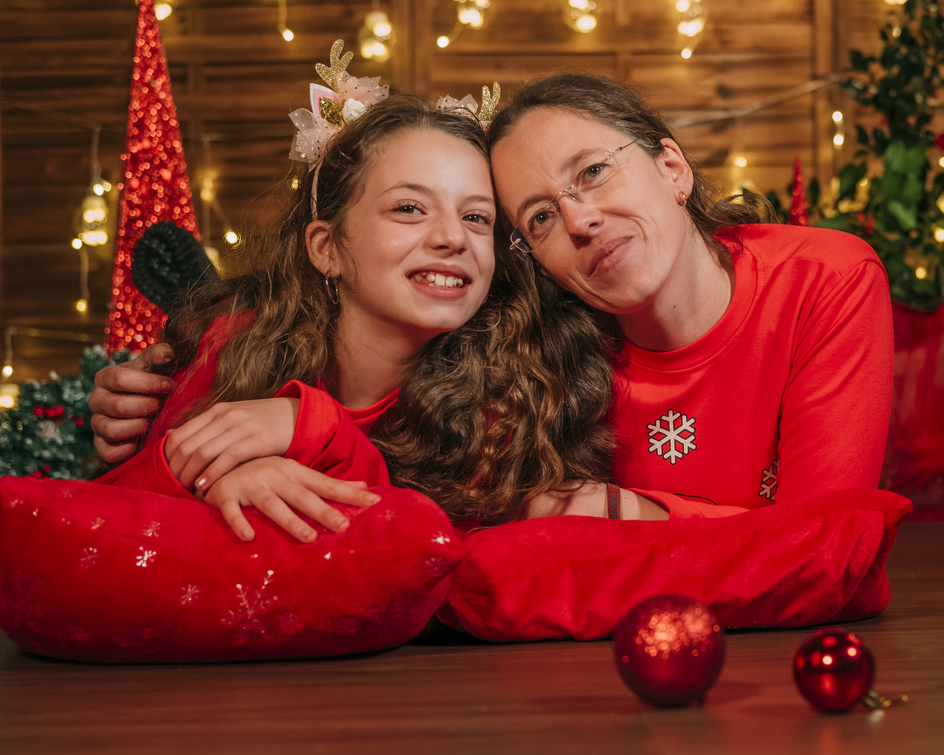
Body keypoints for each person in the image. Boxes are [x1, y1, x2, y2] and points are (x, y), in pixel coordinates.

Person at [92, 73, 893, 522]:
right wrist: (201, 467)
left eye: (594, 172)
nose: (578, 220)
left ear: (673, 169)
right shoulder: (540, 342)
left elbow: (829, 544)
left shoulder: (821, 281)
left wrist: (612, 512)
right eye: (537, 217)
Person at [95, 82, 617, 538]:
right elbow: (108, 511)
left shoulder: (512, 395)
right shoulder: (235, 343)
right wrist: (213, 484)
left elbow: (427, 559)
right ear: (327, 248)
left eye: (477, 217)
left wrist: (313, 428)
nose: (453, 237)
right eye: (409, 208)